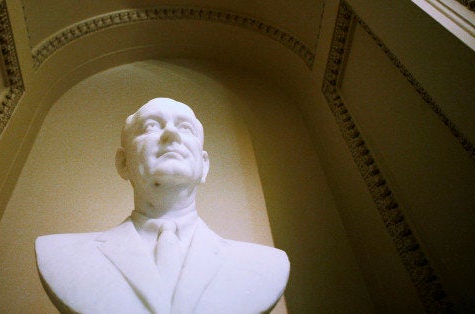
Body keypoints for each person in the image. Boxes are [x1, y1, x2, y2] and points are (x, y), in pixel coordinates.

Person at [36, 98, 289, 314]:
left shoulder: (264, 265)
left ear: (204, 166)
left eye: (186, 128)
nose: (172, 134)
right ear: (123, 163)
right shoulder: (62, 255)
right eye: (151, 126)